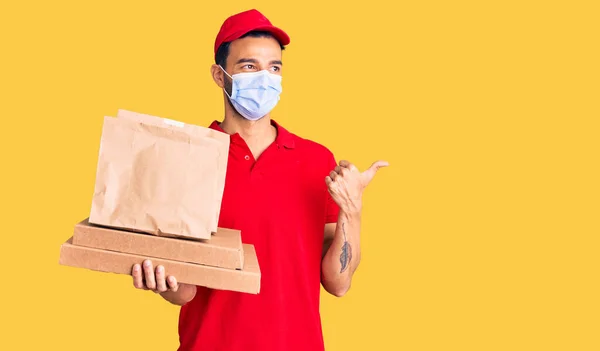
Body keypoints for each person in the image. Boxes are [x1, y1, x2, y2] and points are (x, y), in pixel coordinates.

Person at [130, 9, 388, 351]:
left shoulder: (315, 160)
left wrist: (352, 209)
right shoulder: (187, 157)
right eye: (249, 66)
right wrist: (161, 281)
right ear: (219, 76)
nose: (264, 78)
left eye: (274, 67)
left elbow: (338, 283)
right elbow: (185, 291)